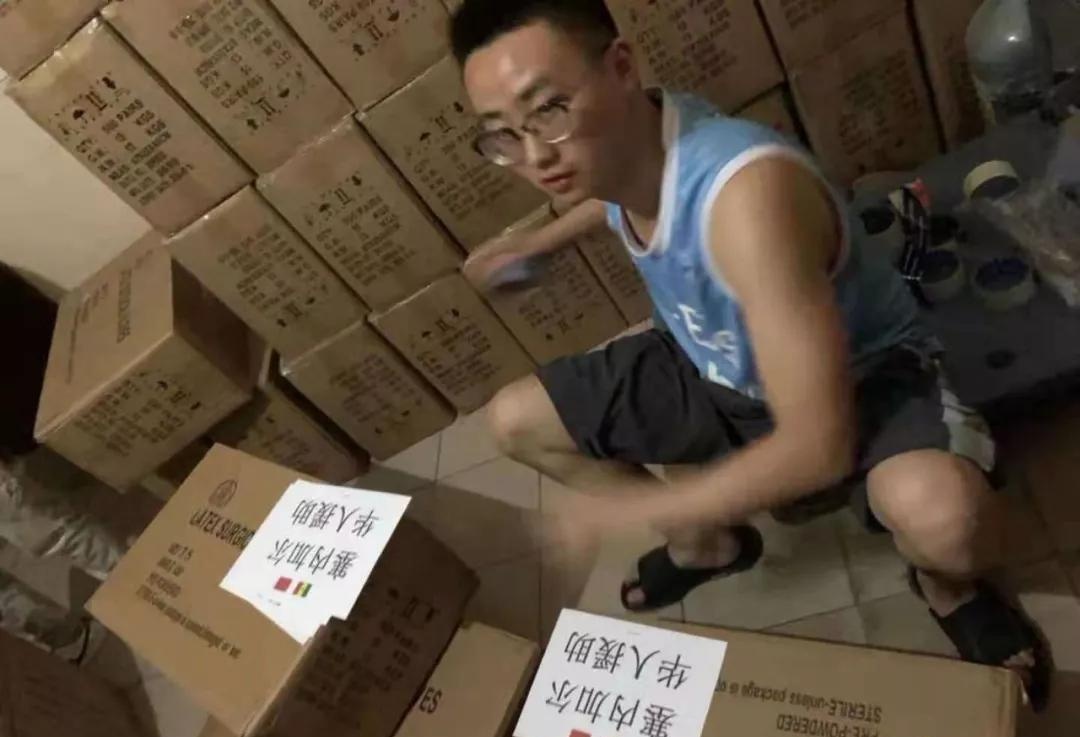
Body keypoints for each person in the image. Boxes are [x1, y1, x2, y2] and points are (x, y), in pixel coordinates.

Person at [449, 0, 1050, 708]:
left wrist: (615, 516)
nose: (535, 156)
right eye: (503, 134)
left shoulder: (747, 198)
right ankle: (705, 543)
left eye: (548, 110)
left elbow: (818, 445)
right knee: (517, 421)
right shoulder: (634, 135)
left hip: (864, 378)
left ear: (621, 66)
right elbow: (614, 195)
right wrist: (536, 244)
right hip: (713, 362)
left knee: (946, 520)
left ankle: (949, 588)